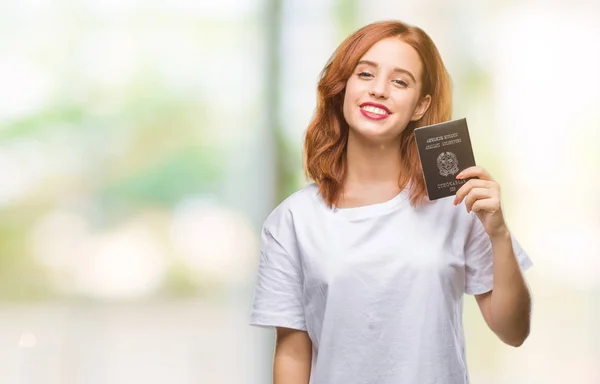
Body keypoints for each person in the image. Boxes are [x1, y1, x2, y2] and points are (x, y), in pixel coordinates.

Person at [249, 19, 532, 384]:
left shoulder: (458, 203)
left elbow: (514, 331)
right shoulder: (292, 220)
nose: (379, 90)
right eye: (365, 74)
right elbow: (291, 352)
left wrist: (499, 234)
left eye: (400, 81)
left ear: (419, 105)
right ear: (343, 87)